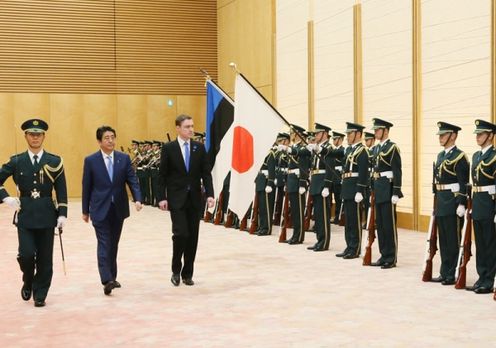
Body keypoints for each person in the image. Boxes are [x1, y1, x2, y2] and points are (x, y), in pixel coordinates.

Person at [0, 119, 67, 307]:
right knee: (27, 254)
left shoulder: (54, 161)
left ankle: (40, 293)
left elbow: (61, 189)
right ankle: (28, 279)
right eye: (31, 134)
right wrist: (5, 197)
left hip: (47, 214)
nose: (35, 137)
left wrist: (62, 213)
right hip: (26, 215)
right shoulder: (16, 161)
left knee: (45, 258)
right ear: (26, 136)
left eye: (38, 134)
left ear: (44, 136)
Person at [82, 126, 142, 296]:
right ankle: (106, 279)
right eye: (107, 138)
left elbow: (132, 180)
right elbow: (86, 186)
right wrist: (85, 210)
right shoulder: (91, 160)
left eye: (113, 137)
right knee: (104, 242)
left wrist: (138, 198)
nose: (110, 140)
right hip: (99, 208)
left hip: (118, 208)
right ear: (99, 141)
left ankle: (112, 277)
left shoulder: (123, 159)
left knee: (113, 243)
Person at [157, 114, 215, 286]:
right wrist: (161, 197)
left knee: (192, 237)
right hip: (176, 199)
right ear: (178, 128)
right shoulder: (169, 148)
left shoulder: (199, 147)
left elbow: (206, 173)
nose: (191, 129)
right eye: (187, 126)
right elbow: (162, 175)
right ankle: (176, 269)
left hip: (195, 199)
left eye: (192, 126)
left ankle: (187, 273)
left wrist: (210, 194)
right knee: (181, 234)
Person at [431, 122, 469, 285]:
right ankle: (444, 270)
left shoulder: (460, 156)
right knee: (443, 239)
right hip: (441, 200)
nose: (440, 137)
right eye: (440, 135)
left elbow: (463, 183)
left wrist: (462, 203)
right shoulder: (440, 156)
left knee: (453, 239)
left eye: (444, 134)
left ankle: (453, 272)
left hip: (452, 201)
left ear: (453, 136)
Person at [467, 119, 496, 293]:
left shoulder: (494, 156)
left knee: (490, 243)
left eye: (481, 134)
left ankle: (489, 280)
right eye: (477, 134)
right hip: (478, 202)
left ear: (491, 136)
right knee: (480, 244)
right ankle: (481, 276)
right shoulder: (476, 156)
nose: (478, 137)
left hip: (489, 203)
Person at [370, 118, 402, 269]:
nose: (375, 132)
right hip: (378, 187)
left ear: (386, 131)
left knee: (389, 224)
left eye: (378, 130)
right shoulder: (376, 148)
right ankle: (383, 254)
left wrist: (396, 191)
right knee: (380, 224)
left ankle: (391, 257)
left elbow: (397, 170)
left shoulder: (392, 147)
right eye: (375, 130)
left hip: (388, 188)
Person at [336, 122, 369, 259]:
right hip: (347, 187)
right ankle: (349, 245)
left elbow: (363, 172)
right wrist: (320, 150)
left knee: (355, 220)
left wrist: (360, 190)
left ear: (358, 134)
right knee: (348, 219)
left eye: (350, 133)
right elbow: (335, 153)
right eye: (348, 133)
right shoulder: (348, 150)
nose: (348, 136)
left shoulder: (362, 151)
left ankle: (355, 248)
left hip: (355, 188)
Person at [278, 124, 310, 245]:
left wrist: (302, 183)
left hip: (298, 181)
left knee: (299, 210)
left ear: (298, 135)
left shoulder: (303, 148)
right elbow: (288, 167)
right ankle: (295, 235)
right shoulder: (294, 147)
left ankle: (299, 236)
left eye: (292, 133)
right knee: (294, 211)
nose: (291, 135)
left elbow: (304, 167)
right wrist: (286, 181)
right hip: (291, 180)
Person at [306, 123, 333, 252]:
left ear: (324, 134)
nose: (315, 135)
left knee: (323, 215)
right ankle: (319, 240)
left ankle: (324, 242)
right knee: (317, 215)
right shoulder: (317, 147)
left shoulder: (329, 148)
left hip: (322, 184)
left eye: (318, 133)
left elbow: (329, 167)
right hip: (316, 182)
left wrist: (327, 185)